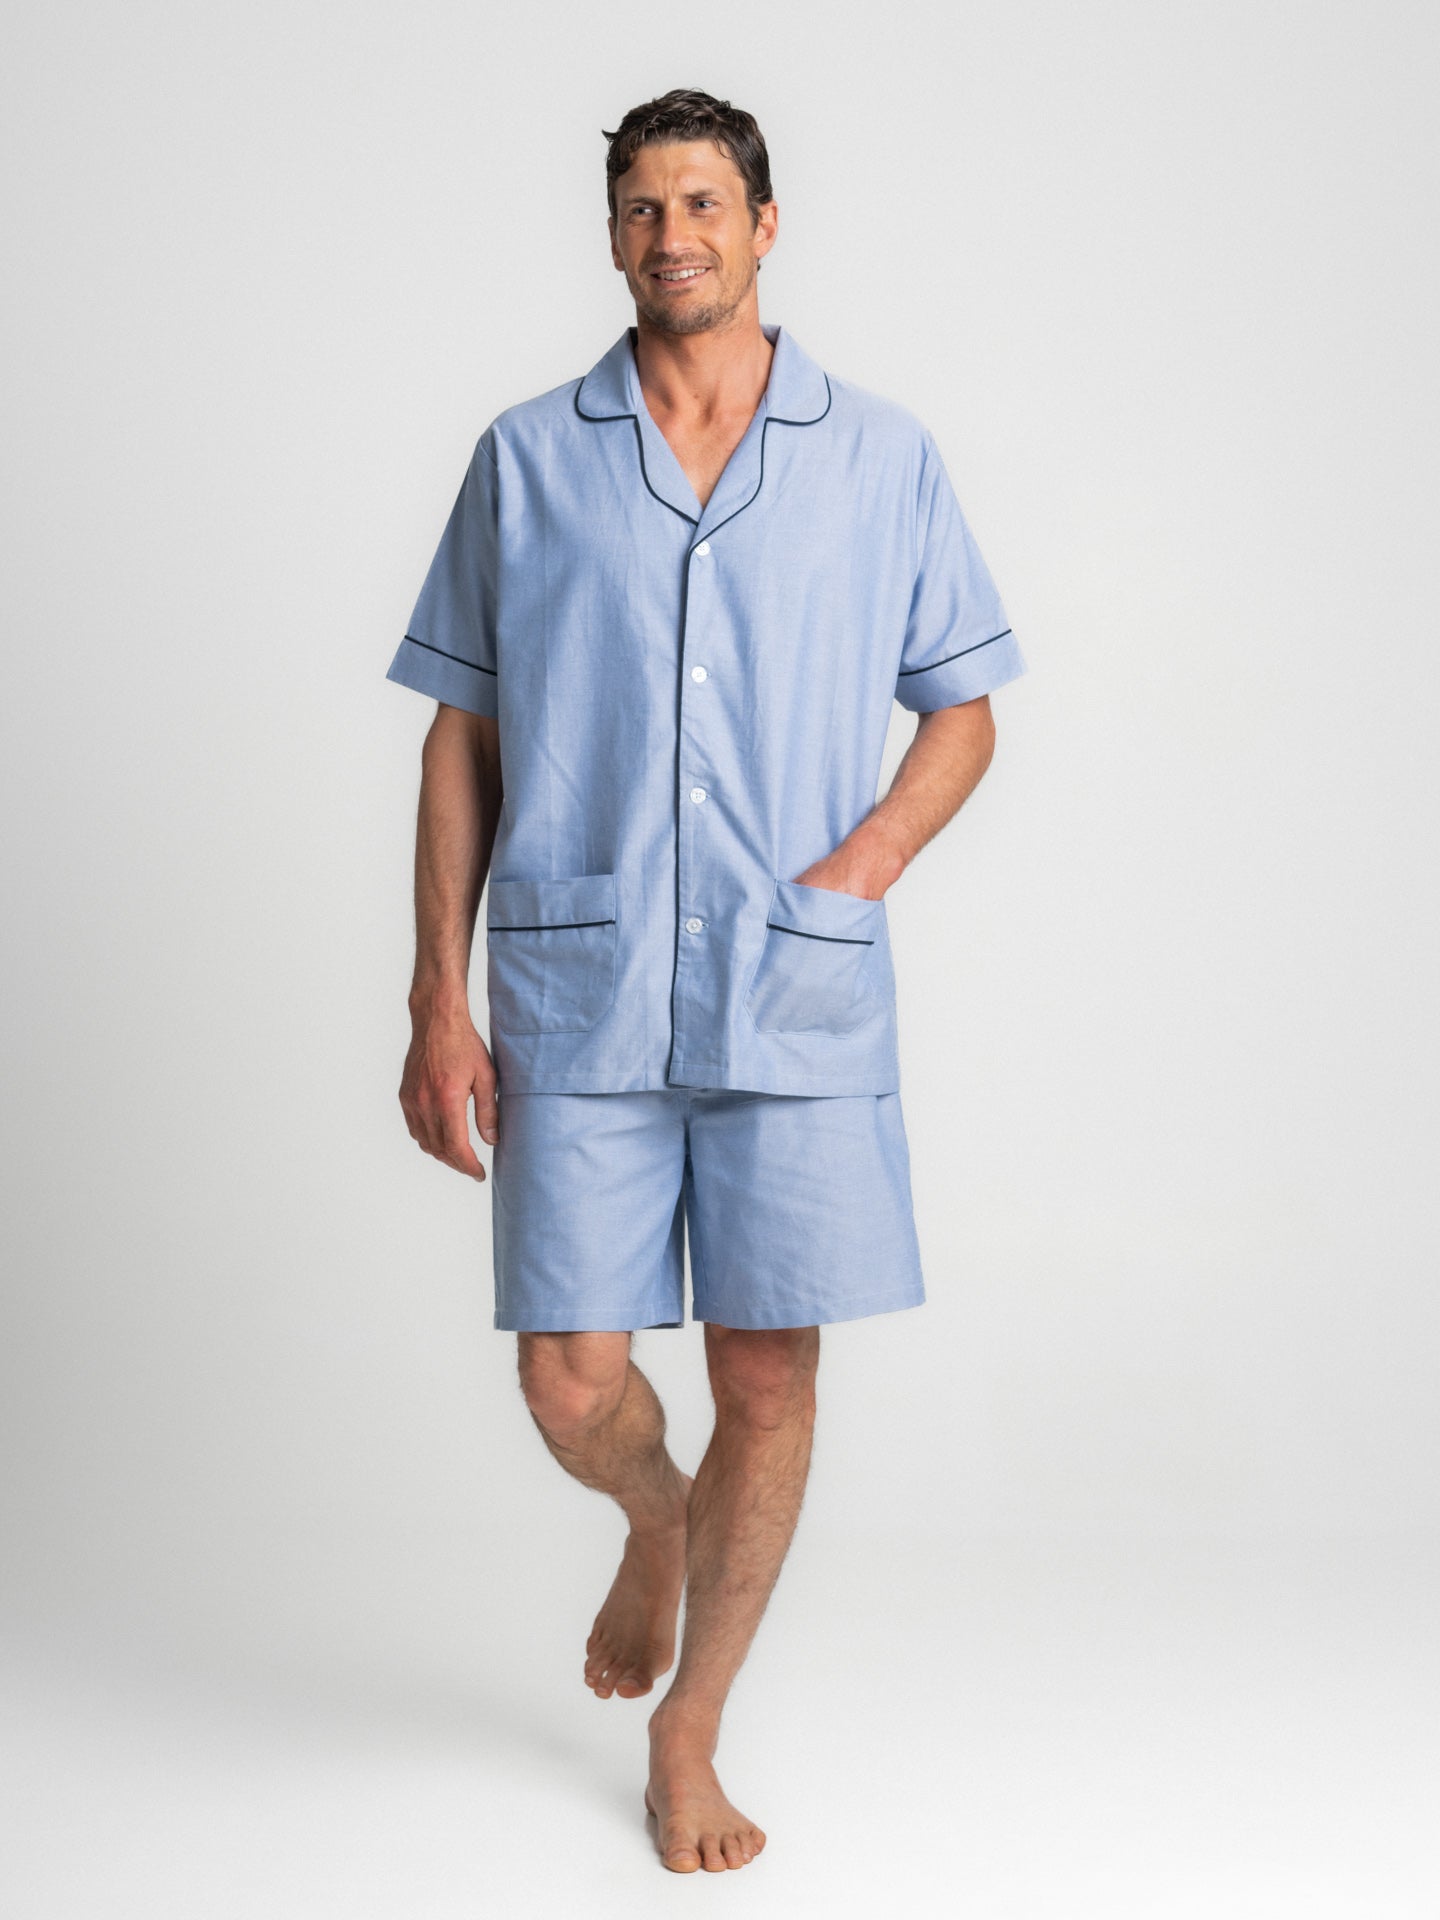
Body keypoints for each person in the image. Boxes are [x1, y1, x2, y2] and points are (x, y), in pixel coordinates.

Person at [386, 87, 1027, 1875]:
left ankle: (693, 1727)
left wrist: (857, 870)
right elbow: (461, 738)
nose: (673, 235)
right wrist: (435, 998)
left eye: (703, 203)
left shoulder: (879, 456)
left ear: (764, 225)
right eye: (641, 208)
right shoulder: (529, 456)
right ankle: (651, 1521)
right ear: (612, 237)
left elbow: (963, 713)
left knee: (766, 1378)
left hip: (788, 987)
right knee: (569, 1379)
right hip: (579, 981)